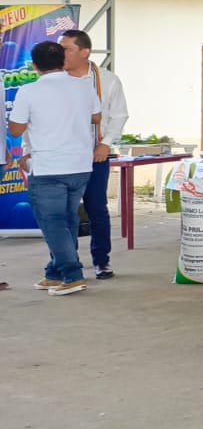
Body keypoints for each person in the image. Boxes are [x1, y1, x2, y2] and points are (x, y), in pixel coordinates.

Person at [8, 41, 100, 295]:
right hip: (80, 166)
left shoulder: (29, 91)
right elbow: (96, 117)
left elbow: (15, 129)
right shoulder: (84, 86)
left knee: (53, 224)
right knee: (67, 219)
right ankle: (54, 272)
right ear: (63, 61)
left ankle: (72, 275)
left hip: (49, 167)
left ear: (34, 65)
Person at [61, 29, 128, 280]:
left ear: (84, 52)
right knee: (65, 211)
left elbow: (119, 115)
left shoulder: (107, 80)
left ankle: (102, 260)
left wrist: (106, 144)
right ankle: (68, 262)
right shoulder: (55, 80)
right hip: (64, 156)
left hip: (95, 155)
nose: (61, 54)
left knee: (96, 208)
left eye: (67, 49)